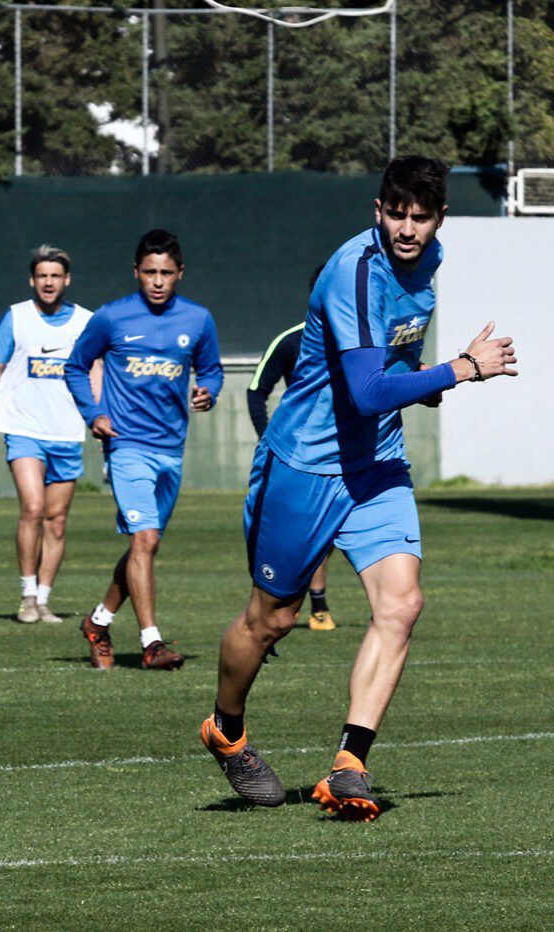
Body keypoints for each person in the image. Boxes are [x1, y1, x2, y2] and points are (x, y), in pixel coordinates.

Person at [201, 156, 517, 821]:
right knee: (271, 620)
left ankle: (349, 765)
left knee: (401, 605)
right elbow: (368, 391)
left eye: (420, 217)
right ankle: (225, 729)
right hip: (306, 467)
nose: (407, 229)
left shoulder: (429, 262)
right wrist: (460, 369)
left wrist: (423, 380)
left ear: (440, 219)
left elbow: (390, 359)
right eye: (395, 214)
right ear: (378, 211)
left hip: (376, 465)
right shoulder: (354, 270)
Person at [64, 230, 223, 671]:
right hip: (126, 445)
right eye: (150, 272)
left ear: (180, 273)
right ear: (136, 272)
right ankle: (152, 644)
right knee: (145, 539)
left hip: (171, 449)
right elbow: (75, 366)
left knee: (144, 547)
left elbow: (211, 369)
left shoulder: (198, 319)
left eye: (166, 273)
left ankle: (97, 623)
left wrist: (208, 390)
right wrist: (94, 413)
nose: (157, 281)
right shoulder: (111, 317)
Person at [0, 245, 98, 624]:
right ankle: (27, 596)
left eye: (55, 275)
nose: (48, 282)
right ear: (32, 280)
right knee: (33, 508)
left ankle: (44, 599)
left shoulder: (86, 321)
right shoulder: (16, 318)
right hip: (23, 428)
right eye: (42, 275)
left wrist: (98, 416)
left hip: (66, 431)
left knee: (56, 521)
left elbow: (96, 369)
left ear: (67, 280)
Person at [247, 269, 340, 632]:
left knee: (329, 536)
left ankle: (319, 604)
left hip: (348, 455)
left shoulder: (365, 341)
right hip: (299, 459)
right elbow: (256, 390)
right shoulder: (291, 341)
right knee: (299, 533)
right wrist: (267, 438)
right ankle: (290, 603)